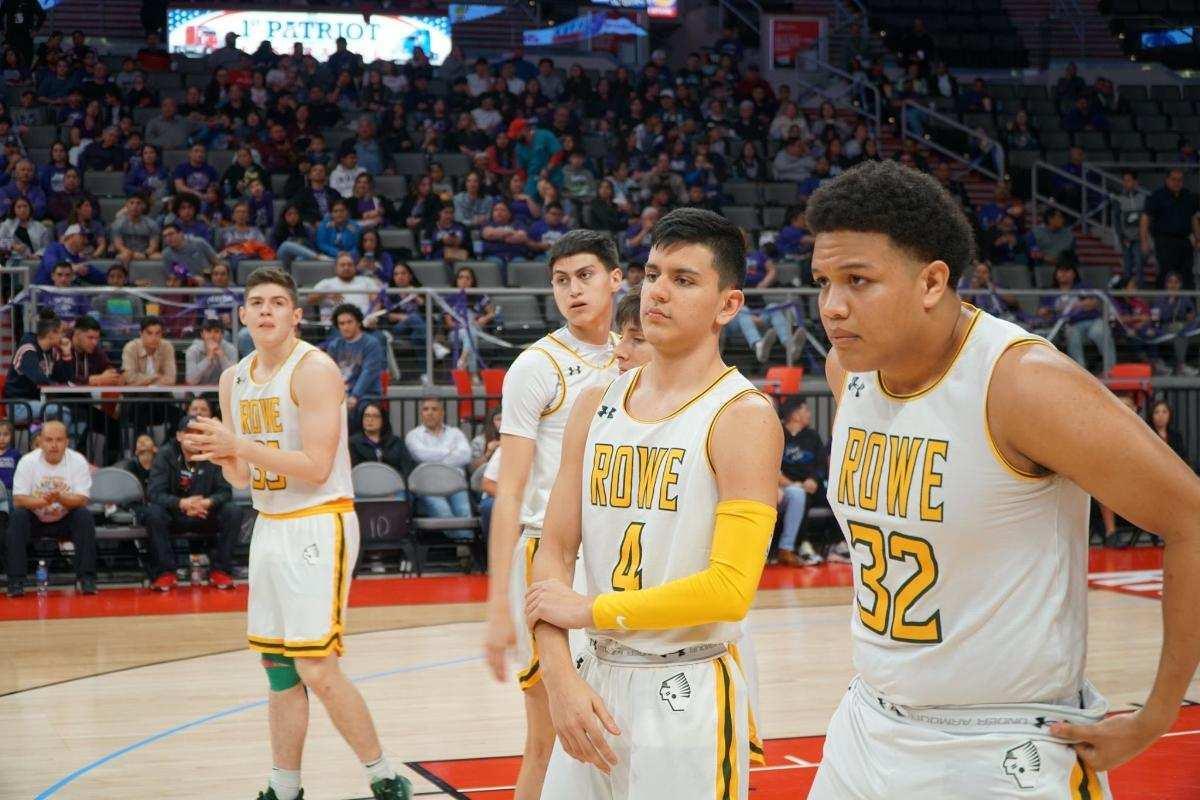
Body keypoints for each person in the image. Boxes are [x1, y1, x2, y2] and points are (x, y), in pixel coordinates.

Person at [803, 159, 1200, 797]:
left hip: (999, 746)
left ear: (932, 281)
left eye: (858, 280)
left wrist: (1158, 714)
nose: (832, 306)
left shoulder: (1021, 383)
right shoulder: (847, 372)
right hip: (867, 728)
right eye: (822, 280)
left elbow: (1190, 519)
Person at [526, 208, 781, 799]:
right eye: (652, 273)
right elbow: (553, 552)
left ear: (728, 306)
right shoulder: (594, 405)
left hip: (685, 685)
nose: (657, 292)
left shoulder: (741, 417)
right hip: (594, 679)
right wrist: (559, 681)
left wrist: (586, 611)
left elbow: (729, 589)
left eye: (684, 280)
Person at [181, 267, 410, 799]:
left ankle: (384, 775)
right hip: (269, 523)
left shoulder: (315, 369)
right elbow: (241, 475)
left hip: (318, 519)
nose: (266, 310)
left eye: (277, 302)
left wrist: (237, 447)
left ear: (296, 314)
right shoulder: (233, 378)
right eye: (256, 302)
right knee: (278, 667)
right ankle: (285, 787)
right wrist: (218, 454)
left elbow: (315, 463)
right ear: (242, 315)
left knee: (315, 664)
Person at [481, 230, 622, 797]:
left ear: (616, 278)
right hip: (549, 555)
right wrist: (496, 604)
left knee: (616, 730)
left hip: (616, 551)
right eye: (561, 280)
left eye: (585, 275)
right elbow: (507, 490)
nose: (572, 289)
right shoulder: (536, 367)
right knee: (549, 738)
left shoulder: (635, 356)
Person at [144, 414, 242, 591]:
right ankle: (165, 573)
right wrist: (182, 503)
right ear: (179, 436)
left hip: (205, 513)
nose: (195, 437)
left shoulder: (214, 455)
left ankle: (220, 570)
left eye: (199, 433)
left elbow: (225, 491)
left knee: (233, 511)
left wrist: (207, 502)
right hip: (175, 514)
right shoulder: (165, 455)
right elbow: (155, 493)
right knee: (153, 513)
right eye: (190, 432)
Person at [5, 420, 96, 596]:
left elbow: (82, 500)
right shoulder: (27, 461)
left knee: (84, 516)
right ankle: (15, 582)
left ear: (67, 442)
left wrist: (60, 498)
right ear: (40, 441)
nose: (54, 445)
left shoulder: (77, 461)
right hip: (35, 518)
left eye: (59, 440)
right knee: (17, 518)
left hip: (65, 517)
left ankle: (87, 579)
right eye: (49, 440)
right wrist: (43, 501)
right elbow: (18, 500)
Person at [404, 397, 473, 543]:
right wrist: (450, 451)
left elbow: (466, 455)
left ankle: (464, 547)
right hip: (428, 486)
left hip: (456, 484)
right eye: (426, 409)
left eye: (434, 409)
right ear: (421, 413)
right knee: (443, 512)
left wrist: (433, 456)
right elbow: (420, 455)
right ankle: (466, 545)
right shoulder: (413, 435)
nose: (430, 413)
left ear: (442, 413)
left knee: (464, 513)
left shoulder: (455, 433)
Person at [775, 400, 827, 567]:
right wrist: (790, 484)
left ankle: (838, 545)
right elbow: (771, 468)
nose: (809, 414)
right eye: (805, 410)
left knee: (833, 496)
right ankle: (797, 545)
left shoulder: (812, 436)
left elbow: (821, 464)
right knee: (798, 494)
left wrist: (814, 479)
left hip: (810, 486)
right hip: (783, 487)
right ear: (795, 414)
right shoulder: (777, 434)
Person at [4, 311, 71, 426]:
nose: (63, 337)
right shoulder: (27, 349)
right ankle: (61, 444)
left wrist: (66, 354)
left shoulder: (52, 352)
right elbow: (37, 377)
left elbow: (64, 378)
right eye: (61, 333)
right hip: (18, 406)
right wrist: (55, 385)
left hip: (39, 402)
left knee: (77, 410)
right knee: (63, 412)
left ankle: (53, 442)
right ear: (51, 334)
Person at [1140, 169, 1200, 290]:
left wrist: (1198, 237)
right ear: (1167, 180)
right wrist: (1144, 241)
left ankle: (1189, 307)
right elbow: (1145, 218)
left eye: (1180, 180)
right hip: (1164, 242)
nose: (1177, 183)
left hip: (1184, 242)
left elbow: (1193, 218)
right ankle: (1162, 306)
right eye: (1174, 179)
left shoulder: (1188, 196)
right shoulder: (1157, 196)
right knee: (1165, 273)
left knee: (1187, 274)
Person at [323, 303, 385, 417]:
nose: (345, 327)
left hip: (367, 396)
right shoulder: (334, 345)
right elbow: (330, 374)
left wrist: (355, 396)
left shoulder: (371, 343)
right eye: (341, 323)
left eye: (349, 322)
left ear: (358, 322)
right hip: (343, 396)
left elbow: (368, 373)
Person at [348, 401, 414, 476]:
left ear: (383, 419)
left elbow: (407, 468)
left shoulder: (396, 443)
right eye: (366, 416)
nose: (370, 419)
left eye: (375, 416)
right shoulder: (353, 444)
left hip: (394, 485)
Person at [312, 252, 382, 320]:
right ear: (335, 268)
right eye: (342, 265)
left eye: (349, 265)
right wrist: (326, 295)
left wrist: (372, 317)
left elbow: (376, 302)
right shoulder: (325, 283)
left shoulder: (367, 281)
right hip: (335, 325)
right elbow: (310, 300)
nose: (346, 268)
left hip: (363, 323)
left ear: (355, 267)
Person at [122, 316, 176, 386]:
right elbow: (129, 378)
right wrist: (155, 377)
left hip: (161, 392)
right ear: (141, 334)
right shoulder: (130, 348)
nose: (154, 338)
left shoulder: (167, 347)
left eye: (157, 333)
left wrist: (142, 381)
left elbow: (171, 379)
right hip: (135, 393)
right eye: (149, 333)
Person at [185, 317, 238, 386]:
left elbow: (234, 380)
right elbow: (190, 380)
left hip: (223, 391)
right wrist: (208, 359)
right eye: (208, 331)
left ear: (222, 335)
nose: (212, 336)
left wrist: (222, 357)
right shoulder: (193, 351)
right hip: (197, 393)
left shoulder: (231, 349)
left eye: (216, 331)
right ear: (202, 334)